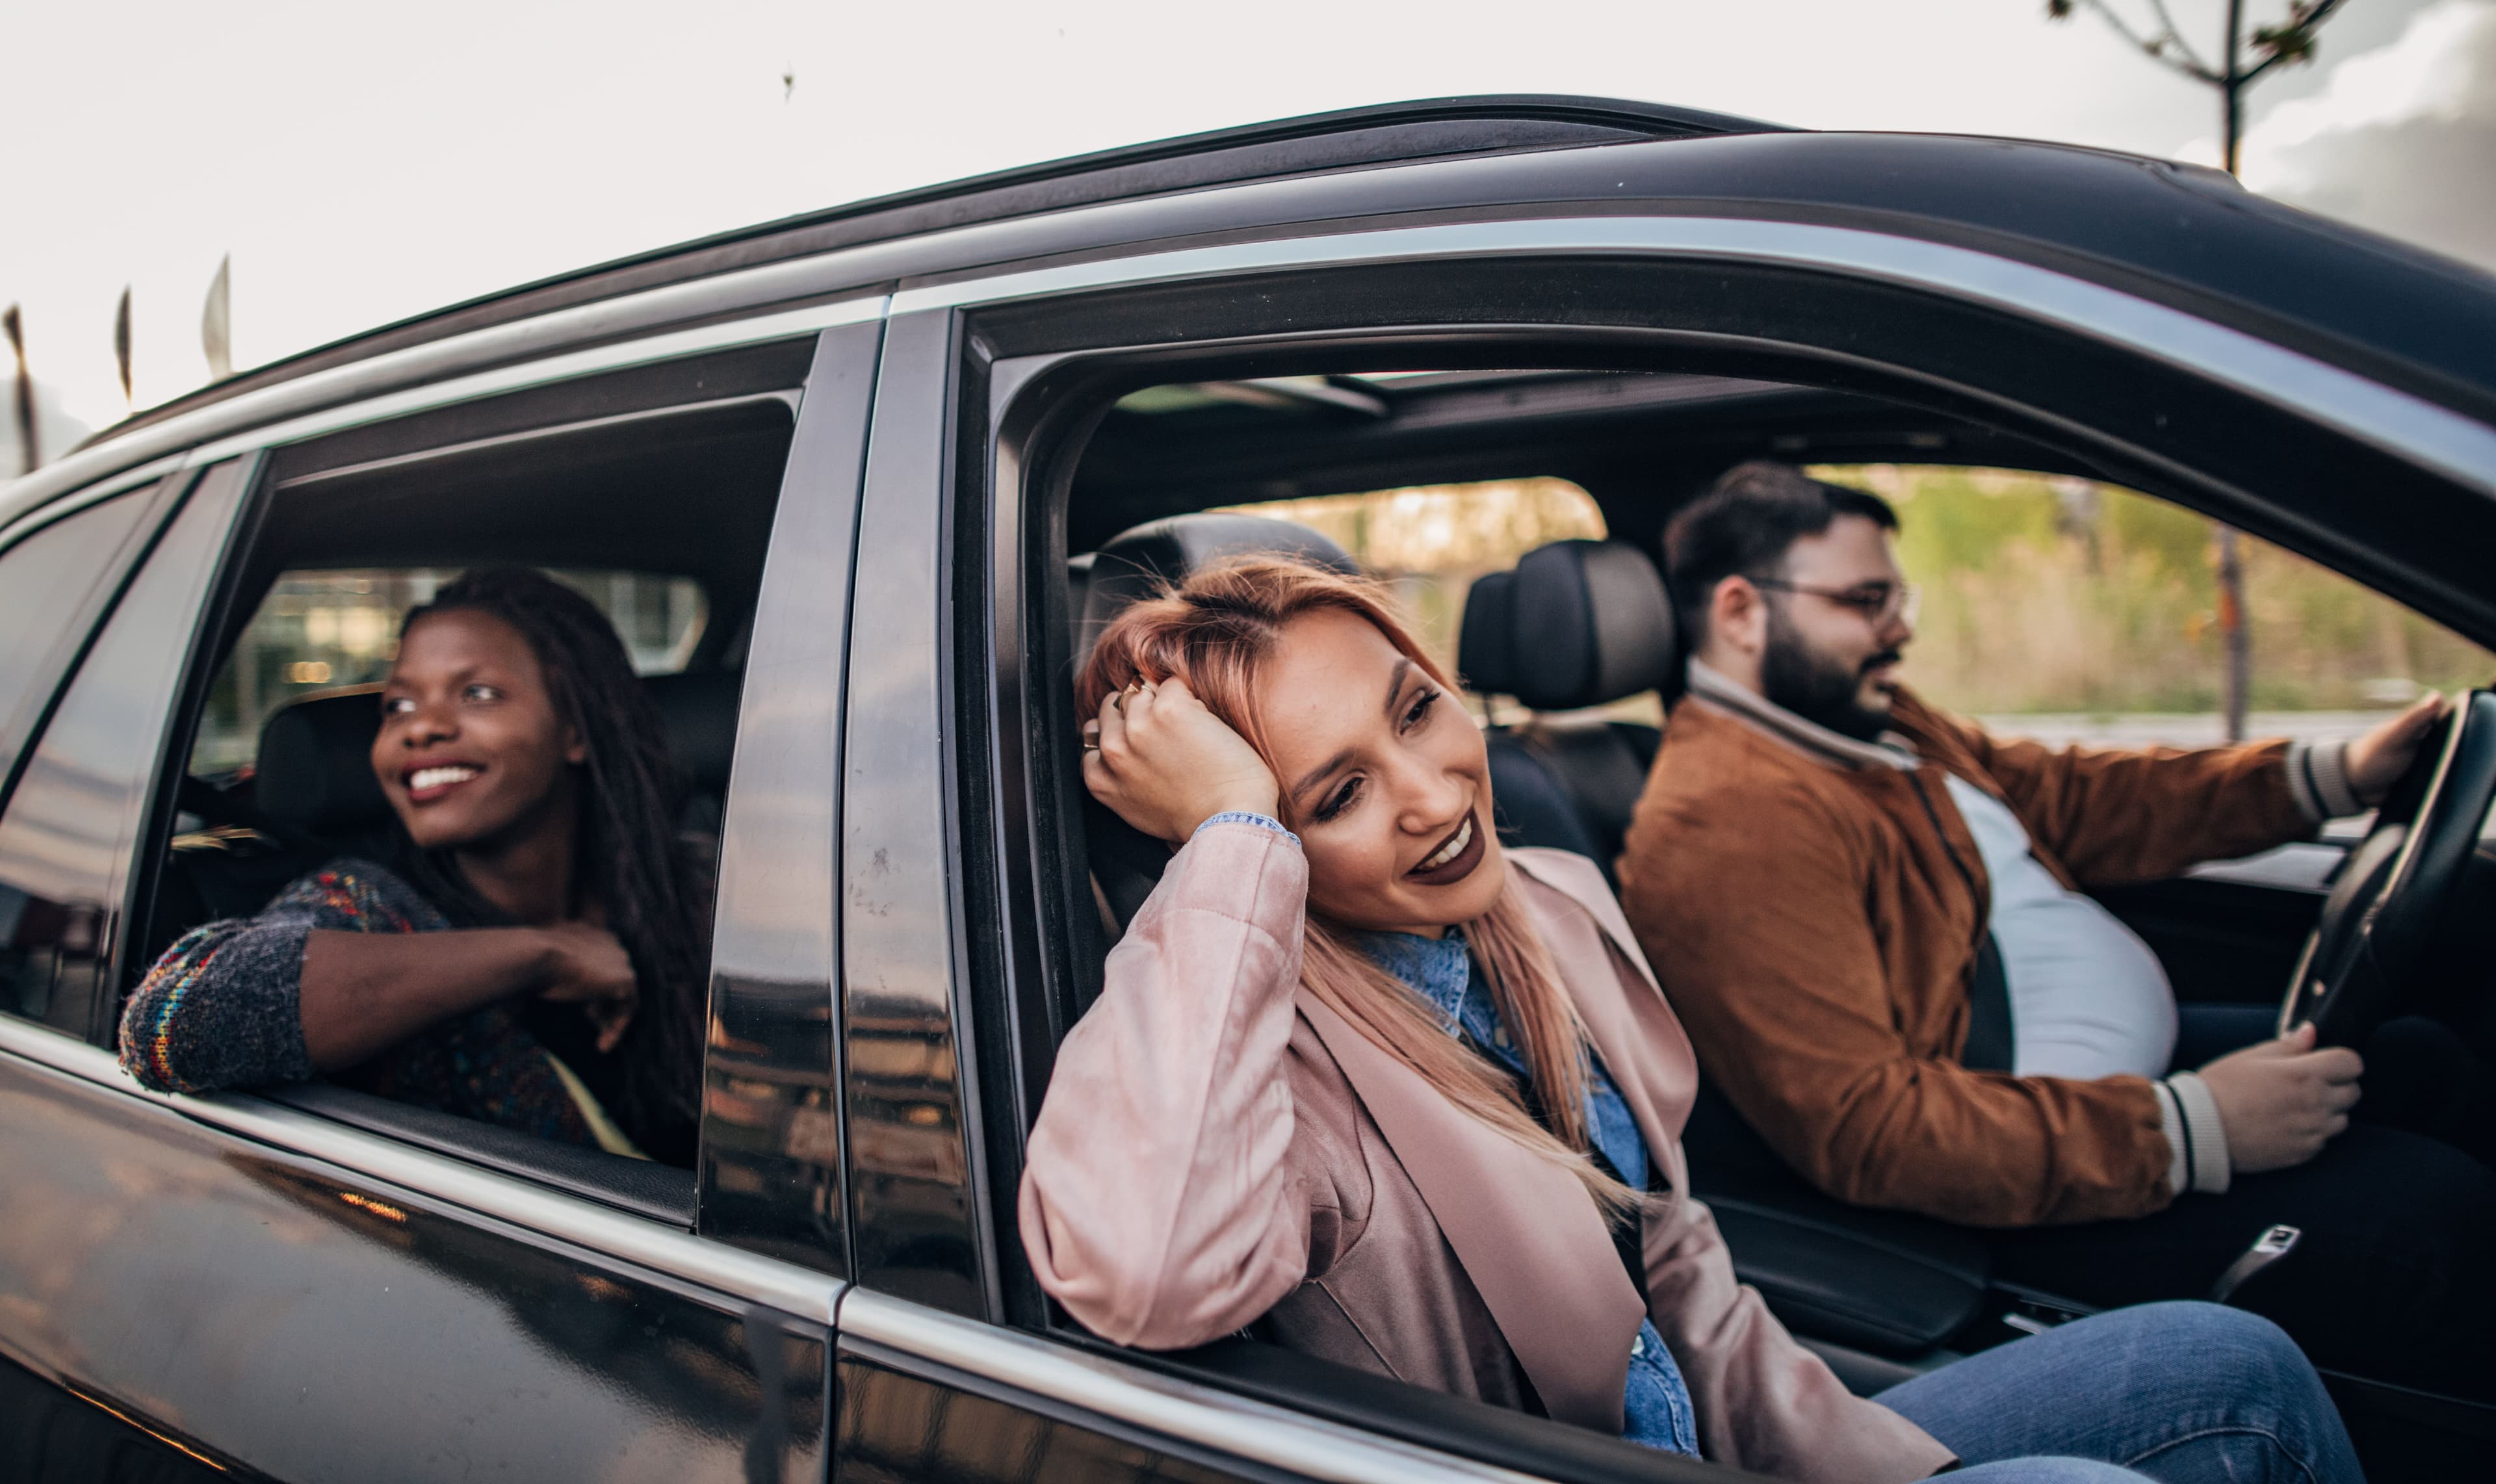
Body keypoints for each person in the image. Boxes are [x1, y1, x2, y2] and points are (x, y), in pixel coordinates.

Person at [1020, 554, 2363, 1484]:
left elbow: (1679, 1276)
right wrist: (1236, 841)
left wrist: (1851, 1457)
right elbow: (1145, 1274)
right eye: (1333, 795)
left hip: (1722, 1434)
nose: (1432, 794)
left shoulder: (1539, 911)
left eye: (1418, 710)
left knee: (2232, 1362)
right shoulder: (1267, 1061)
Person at [1618, 461, 2496, 1399]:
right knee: (2436, 1223)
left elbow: (2071, 797)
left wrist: (2324, 775)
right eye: (1866, 601)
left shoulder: (1866, 726)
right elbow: (1871, 1129)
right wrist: (2193, 1128)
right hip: (2024, 1188)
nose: (1901, 627)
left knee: (2417, 1058)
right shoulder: (1728, 822)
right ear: (1744, 612)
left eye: (1896, 597)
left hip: (2096, 1106)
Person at [120, 567, 710, 1166]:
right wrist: (539, 953)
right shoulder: (370, 903)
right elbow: (171, 1021)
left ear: (575, 730)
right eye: (398, 705)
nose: (422, 727)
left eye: (477, 694)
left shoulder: (691, 885)